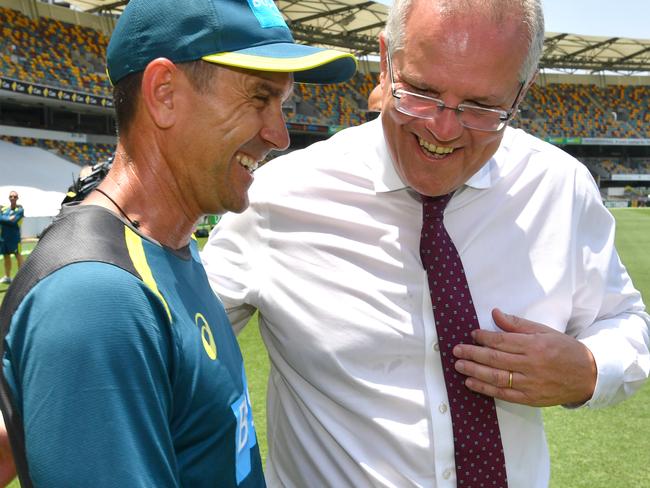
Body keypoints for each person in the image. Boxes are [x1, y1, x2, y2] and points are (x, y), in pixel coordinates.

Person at [201, 0, 650, 486]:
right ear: (385, 60)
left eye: (481, 106)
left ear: (522, 93)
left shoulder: (560, 187)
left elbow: (624, 320)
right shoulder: (277, 198)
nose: (444, 128)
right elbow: (170, 347)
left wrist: (588, 368)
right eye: (420, 92)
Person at [0, 0, 355, 486]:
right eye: (258, 98)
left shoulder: (165, 250)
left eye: (283, 105)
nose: (280, 135)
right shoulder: (97, 297)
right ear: (164, 93)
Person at [0, 191, 24, 285]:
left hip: (15, 239)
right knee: (6, 257)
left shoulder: (20, 210)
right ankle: (7, 277)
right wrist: (7, 219)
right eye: (11, 196)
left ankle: (22, 277)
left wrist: (3, 219)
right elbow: (5, 219)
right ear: (9, 198)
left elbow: (13, 221)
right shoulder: (5, 209)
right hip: (4, 238)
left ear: (17, 198)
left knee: (18, 256)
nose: (12, 198)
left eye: (14, 196)